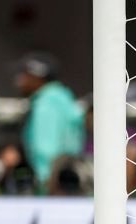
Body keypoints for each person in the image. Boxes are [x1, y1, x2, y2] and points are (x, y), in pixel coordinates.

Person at [15, 53, 85, 194]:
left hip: (53, 186)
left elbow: (45, 150)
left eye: (24, 75)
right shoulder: (64, 98)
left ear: (37, 77)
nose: (18, 80)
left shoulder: (46, 104)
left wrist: (45, 184)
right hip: (69, 180)